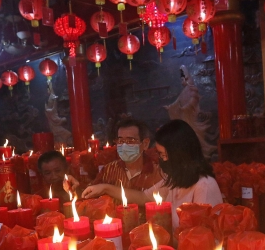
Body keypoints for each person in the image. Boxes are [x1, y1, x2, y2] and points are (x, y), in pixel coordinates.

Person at [82, 119, 223, 231]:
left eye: (164, 155)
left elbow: (203, 237)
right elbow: (144, 197)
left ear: (181, 155)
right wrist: (105, 188)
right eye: (160, 155)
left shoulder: (204, 186)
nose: (162, 160)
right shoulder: (175, 180)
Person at [90, 118, 163, 205]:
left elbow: (148, 199)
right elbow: (90, 196)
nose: (124, 146)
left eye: (130, 141)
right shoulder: (108, 170)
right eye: (120, 141)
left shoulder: (158, 172)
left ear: (145, 144)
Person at [164, 65, 217, 159]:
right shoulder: (184, 91)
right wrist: (170, 107)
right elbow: (177, 102)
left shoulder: (192, 89)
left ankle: (203, 154)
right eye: (181, 80)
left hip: (191, 117)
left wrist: (185, 108)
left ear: (187, 78)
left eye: (183, 79)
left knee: (195, 135)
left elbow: (193, 100)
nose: (182, 82)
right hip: (185, 118)